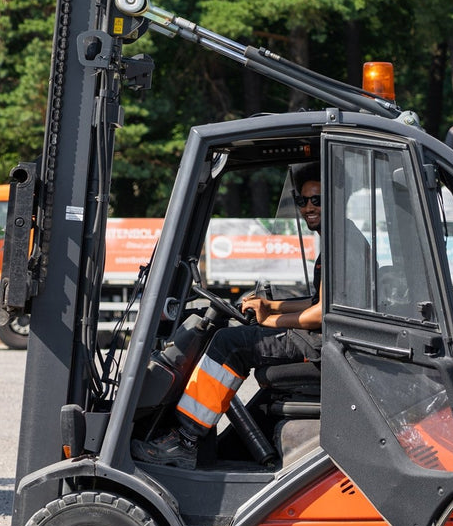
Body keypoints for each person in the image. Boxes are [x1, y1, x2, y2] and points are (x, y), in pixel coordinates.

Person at [134, 162, 325, 470]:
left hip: (321, 348)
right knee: (235, 341)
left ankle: (186, 441)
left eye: (316, 200)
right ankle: (220, 446)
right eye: (302, 201)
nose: (307, 208)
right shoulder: (336, 244)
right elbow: (316, 302)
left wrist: (269, 320)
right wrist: (269, 305)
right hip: (322, 342)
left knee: (229, 344)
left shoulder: (344, 248)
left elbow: (319, 315)